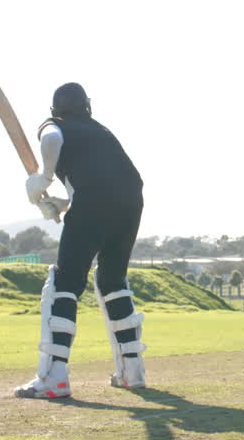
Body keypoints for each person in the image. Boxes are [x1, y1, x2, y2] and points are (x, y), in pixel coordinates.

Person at [14, 82, 146, 399]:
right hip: (132, 199)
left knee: (64, 283)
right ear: (87, 106)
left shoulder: (55, 125)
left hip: (95, 201)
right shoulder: (99, 131)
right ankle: (133, 372)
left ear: (54, 110)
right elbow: (101, 183)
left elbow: (52, 139)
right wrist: (61, 203)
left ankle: (53, 377)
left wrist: (43, 179)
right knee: (113, 280)